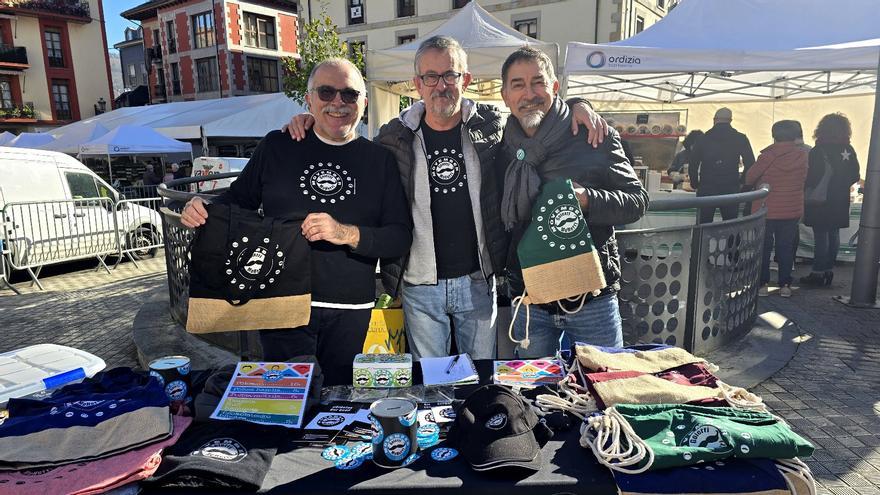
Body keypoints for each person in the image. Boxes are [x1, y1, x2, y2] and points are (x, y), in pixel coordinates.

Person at [283, 36, 608, 361]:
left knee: (481, 376)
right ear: (417, 84)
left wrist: (578, 105)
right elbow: (345, 141)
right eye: (431, 77)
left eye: (450, 75)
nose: (441, 86)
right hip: (419, 285)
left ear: (465, 80)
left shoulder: (491, 127)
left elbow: (536, 114)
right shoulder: (394, 137)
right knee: (431, 380)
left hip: (478, 281)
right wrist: (310, 123)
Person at [180, 58, 412, 385]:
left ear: (363, 102)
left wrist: (345, 233)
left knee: (338, 401)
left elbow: (399, 236)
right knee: (285, 400)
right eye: (326, 92)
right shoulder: (278, 145)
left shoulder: (380, 161)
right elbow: (237, 200)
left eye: (349, 94)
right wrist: (202, 207)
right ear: (309, 99)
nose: (338, 102)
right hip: (280, 303)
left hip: (350, 309)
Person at [497, 47, 648, 358]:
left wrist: (589, 200)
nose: (529, 94)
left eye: (538, 82)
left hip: (591, 299)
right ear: (505, 96)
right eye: (518, 85)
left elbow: (637, 200)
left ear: (555, 87)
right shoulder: (503, 148)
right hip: (529, 299)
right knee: (534, 386)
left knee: (603, 381)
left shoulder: (593, 135)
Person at [744, 120, 808, 298]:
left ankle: (762, 284)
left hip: (766, 208)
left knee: (763, 247)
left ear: (774, 135)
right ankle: (785, 285)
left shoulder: (767, 156)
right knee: (786, 247)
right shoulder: (802, 156)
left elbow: (749, 178)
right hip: (792, 208)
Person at [800, 113, 861, 287]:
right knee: (834, 234)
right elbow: (855, 175)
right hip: (840, 198)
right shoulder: (848, 149)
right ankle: (828, 270)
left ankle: (818, 272)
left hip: (821, 199)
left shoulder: (818, 150)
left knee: (821, 236)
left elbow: (811, 177)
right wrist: (841, 185)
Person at [689, 108, 755, 223]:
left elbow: (693, 163)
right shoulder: (740, 138)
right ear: (730, 120)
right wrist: (742, 182)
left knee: (703, 224)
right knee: (730, 224)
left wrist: (695, 183)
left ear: (714, 120)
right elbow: (750, 163)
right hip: (730, 187)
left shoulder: (703, 139)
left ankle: (702, 236)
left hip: (707, 187)